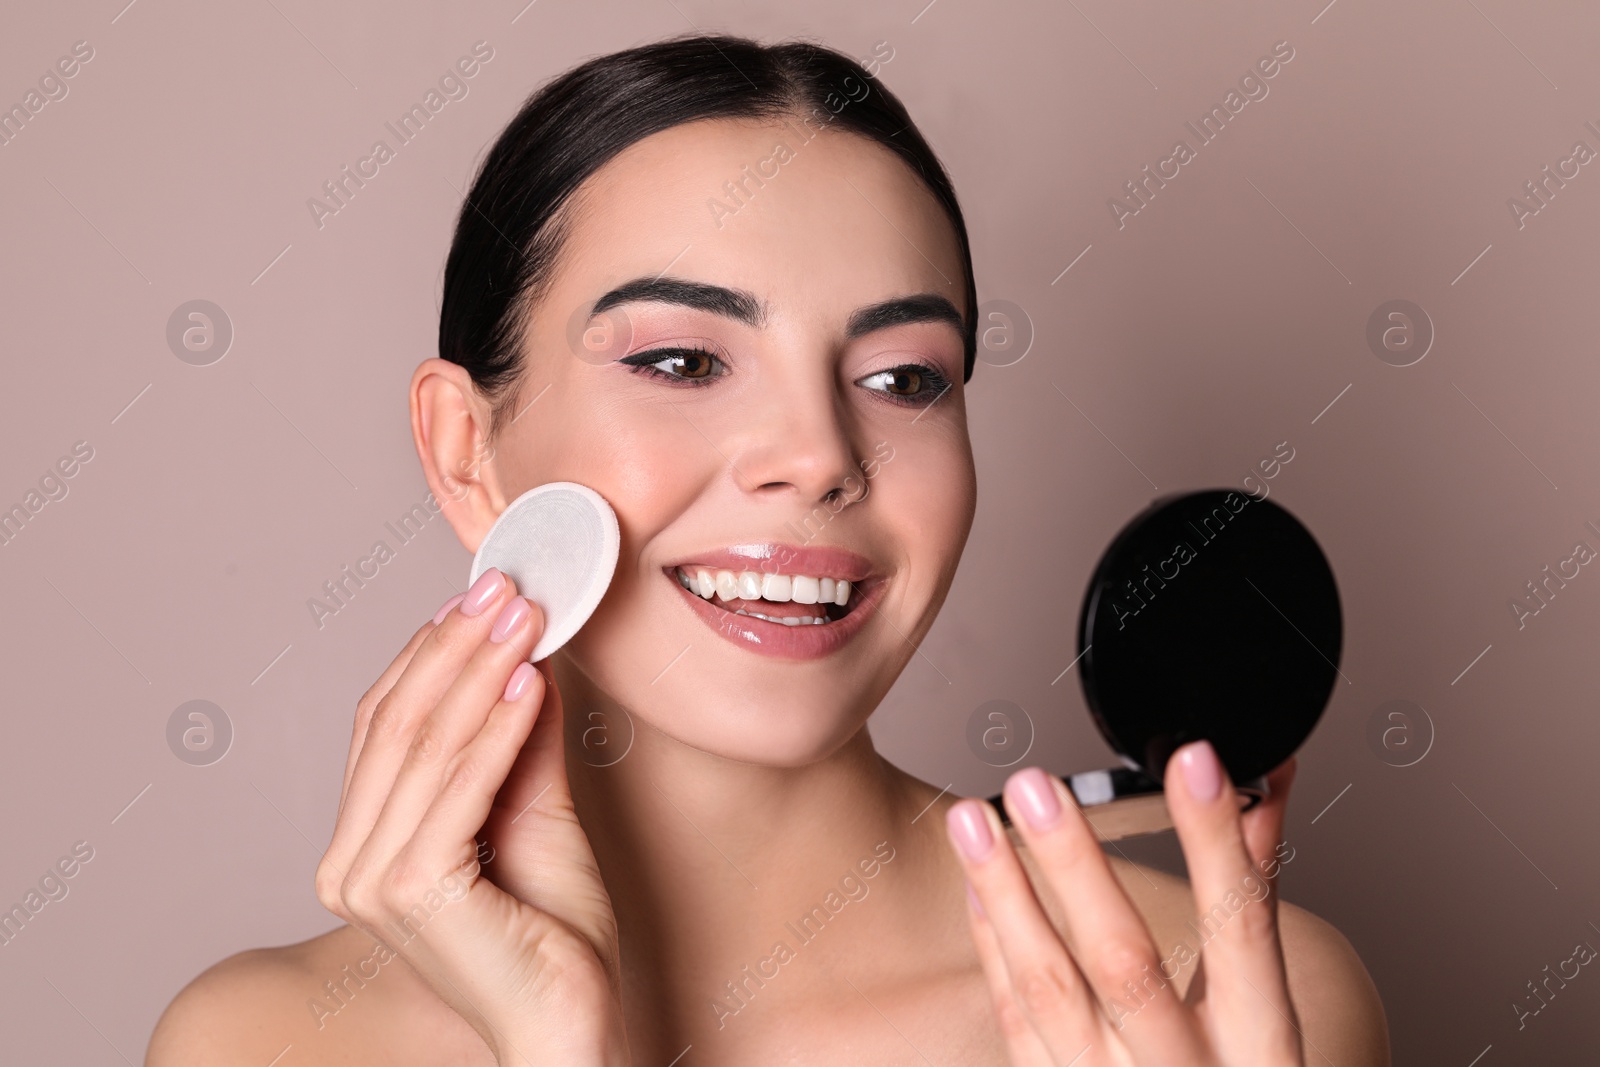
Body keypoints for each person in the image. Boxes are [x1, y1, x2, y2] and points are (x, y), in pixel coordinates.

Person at [147, 33, 1389, 1065]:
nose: (818, 454)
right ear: (468, 450)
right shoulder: (259, 1041)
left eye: (904, 377)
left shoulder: (1214, 1003)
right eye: (682, 360)